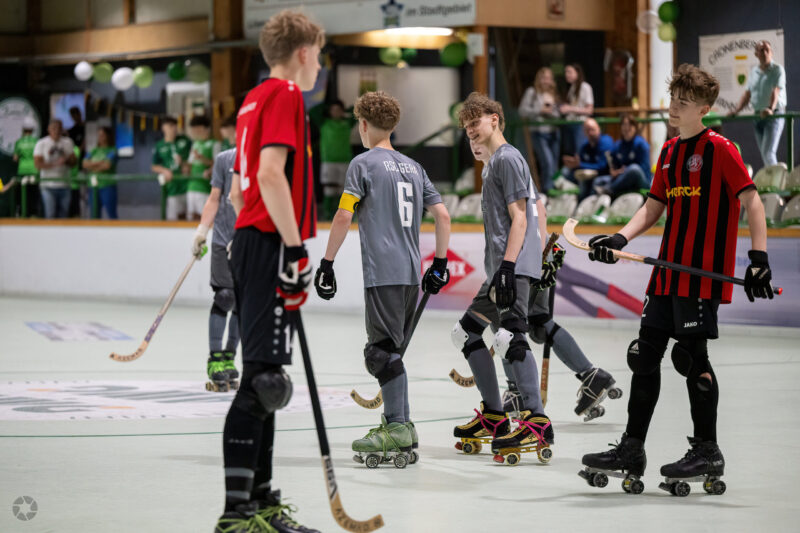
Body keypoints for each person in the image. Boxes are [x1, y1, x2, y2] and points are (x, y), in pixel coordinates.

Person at [580, 64, 773, 494]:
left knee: (691, 360)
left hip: (700, 277)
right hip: (666, 273)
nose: (673, 108)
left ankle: (707, 450)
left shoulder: (721, 149)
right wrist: (619, 237)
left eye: (683, 103)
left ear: (703, 109)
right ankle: (632, 449)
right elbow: (653, 206)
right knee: (644, 357)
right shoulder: (668, 151)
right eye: (672, 100)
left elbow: (753, 202)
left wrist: (758, 259)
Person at [216, 9, 324, 533]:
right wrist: (294, 249)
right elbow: (269, 175)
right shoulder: (285, 94)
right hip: (269, 242)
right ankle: (237, 513)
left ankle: (258, 503)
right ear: (303, 52)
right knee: (262, 382)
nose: (319, 64)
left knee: (267, 382)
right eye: (319, 55)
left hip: (251, 241)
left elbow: (238, 191)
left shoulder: (252, 98)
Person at [314, 91, 451, 467]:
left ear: (363, 125)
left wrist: (327, 263)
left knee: (380, 353)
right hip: (410, 273)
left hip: (383, 274)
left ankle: (396, 426)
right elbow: (443, 216)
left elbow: (344, 215)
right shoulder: (414, 167)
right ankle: (401, 424)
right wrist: (439, 264)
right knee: (391, 351)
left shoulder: (362, 164)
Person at [470, 140, 621, 422]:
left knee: (505, 322)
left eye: (478, 137)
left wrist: (537, 258)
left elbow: (538, 210)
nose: (474, 144)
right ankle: (591, 376)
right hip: (532, 257)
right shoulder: (496, 167)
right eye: (470, 139)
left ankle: (518, 390)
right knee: (538, 323)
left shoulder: (506, 163)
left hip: (527, 259)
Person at [452, 92, 554, 460]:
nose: (471, 132)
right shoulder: (492, 164)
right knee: (465, 333)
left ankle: (536, 421)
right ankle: (495, 416)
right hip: (500, 269)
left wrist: (509, 268)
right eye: (466, 128)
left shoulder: (508, 158)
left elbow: (521, 217)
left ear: (495, 119)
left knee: (511, 336)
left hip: (514, 267)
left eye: (475, 123)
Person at [192, 148, 240, 392]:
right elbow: (214, 198)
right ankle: (215, 359)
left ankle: (229, 357)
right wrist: (202, 231)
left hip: (249, 240)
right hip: (222, 238)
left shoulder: (265, 158)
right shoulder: (224, 159)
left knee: (242, 301)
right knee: (225, 296)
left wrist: (245, 236)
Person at [729, 40, 787, 168]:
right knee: (765, 154)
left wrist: (770, 108)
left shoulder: (777, 70)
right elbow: (747, 94)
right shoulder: (753, 72)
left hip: (774, 115)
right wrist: (736, 110)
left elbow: (776, 90)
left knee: (768, 153)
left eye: (767, 50)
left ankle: (777, 180)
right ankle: (774, 178)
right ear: (756, 54)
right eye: (761, 50)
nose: (764, 53)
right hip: (758, 116)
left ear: (771, 53)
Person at [519, 67, 561, 194]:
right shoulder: (532, 92)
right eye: (543, 78)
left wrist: (551, 112)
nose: (546, 81)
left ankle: (554, 188)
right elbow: (522, 111)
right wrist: (539, 110)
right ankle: (547, 189)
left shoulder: (554, 94)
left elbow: (559, 114)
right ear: (539, 79)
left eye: (548, 78)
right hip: (538, 132)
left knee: (554, 163)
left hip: (554, 131)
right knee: (547, 161)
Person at [593, 114, 652, 198]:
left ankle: (609, 189)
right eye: (624, 125)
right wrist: (613, 171)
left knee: (634, 169)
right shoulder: (618, 145)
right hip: (621, 178)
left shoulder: (641, 144)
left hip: (641, 180)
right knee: (598, 181)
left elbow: (643, 169)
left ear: (635, 127)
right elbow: (612, 165)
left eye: (630, 125)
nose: (626, 128)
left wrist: (624, 171)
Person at [319, 99, 356, 220]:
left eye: (338, 110)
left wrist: (347, 111)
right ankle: (328, 215)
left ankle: (344, 216)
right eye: (333, 110)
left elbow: (357, 112)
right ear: (329, 111)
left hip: (345, 161)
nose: (336, 112)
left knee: (344, 191)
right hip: (328, 162)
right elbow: (314, 111)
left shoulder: (348, 123)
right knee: (329, 190)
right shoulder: (323, 122)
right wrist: (325, 107)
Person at [562, 118, 613, 200]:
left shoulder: (606, 141)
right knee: (565, 171)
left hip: (604, 174)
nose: (590, 133)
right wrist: (572, 163)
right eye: (587, 130)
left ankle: (584, 201)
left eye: (592, 129)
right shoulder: (585, 145)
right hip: (588, 174)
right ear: (584, 132)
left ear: (598, 129)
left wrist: (580, 165)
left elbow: (603, 166)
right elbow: (579, 162)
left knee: (585, 178)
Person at [33, 119, 76, 219]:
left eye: (59, 128)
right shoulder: (41, 143)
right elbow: (37, 164)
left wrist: (66, 159)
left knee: (64, 215)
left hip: (65, 184)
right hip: (48, 185)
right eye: (54, 128)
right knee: (50, 214)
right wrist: (55, 164)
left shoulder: (68, 142)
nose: (56, 131)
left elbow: (74, 162)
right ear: (49, 129)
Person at [151, 116, 188, 221]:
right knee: (173, 219)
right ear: (163, 128)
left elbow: (194, 157)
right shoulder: (159, 145)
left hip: (188, 186)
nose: (174, 128)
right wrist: (164, 171)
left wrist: (185, 164)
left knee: (190, 218)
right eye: (171, 126)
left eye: (175, 125)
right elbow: (154, 166)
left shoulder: (185, 141)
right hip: (172, 188)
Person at [82, 126, 118, 219]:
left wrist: (92, 166)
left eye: (102, 135)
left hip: (107, 185)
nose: (100, 137)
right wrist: (100, 162)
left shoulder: (112, 150)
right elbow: (84, 164)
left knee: (111, 214)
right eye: (99, 135)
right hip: (93, 186)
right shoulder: (93, 150)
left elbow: (107, 165)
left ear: (108, 136)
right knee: (94, 214)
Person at [560, 63, 594, 156]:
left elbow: (589, 110)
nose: (567, 74)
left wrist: (569, 108)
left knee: (580, 152)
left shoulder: (585, 87)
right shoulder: (572, 88)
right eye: (566, 72)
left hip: (580, 124)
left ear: (577, 73)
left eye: (569, 72)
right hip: (569, 123)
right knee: (570, 154)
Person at [186, 114, 215, 220]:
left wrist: (201, 158)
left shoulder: (214, 143)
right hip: (191, 186)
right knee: (190, 218)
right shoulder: (195, 144)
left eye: (194, 129)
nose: (193, 132)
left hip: (205, 188)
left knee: (205, 219)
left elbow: (217, 164)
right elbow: (189, 165)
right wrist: (182, 165)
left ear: (202, 128)